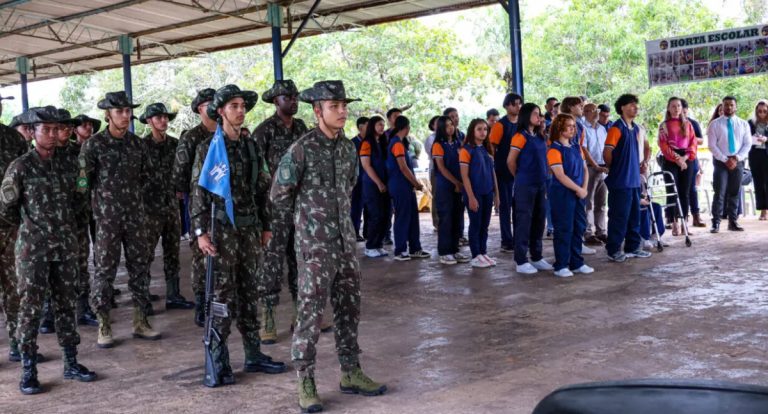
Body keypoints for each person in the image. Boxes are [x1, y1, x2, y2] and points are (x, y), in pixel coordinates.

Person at [270, 80, 387, 412]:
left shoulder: (348, 149)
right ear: (317, 110)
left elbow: (349, 186)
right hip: (315, 247)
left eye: (344, 106)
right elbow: (278, 195)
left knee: (349, 309)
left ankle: (350, 371)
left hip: (346, 243)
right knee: (310, 313)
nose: (342, 111)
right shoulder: (301, 149)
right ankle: (306, 380)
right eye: (334, 106)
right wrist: (306, 224)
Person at [191, 84, 287, 385]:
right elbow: (199, 193)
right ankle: (218, 360)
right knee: (221, 295)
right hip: (221, 232)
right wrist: (200, 232)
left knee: (249, 292)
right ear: (220, 111)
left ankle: (253, 353)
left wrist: (266, 225)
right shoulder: (209, 149)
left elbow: (263, 189)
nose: (241, 110)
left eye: (243, 106)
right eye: (234, 106)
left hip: (248, 230)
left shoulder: (250, 146)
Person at [1, 106, 96, 395]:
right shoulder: (20, 167)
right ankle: (28, 370)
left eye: (57, 129)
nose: (53, 134)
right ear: (32, 132)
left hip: (65, 247)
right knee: (30, 310)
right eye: (47, 129)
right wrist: (31, 229)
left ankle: (71, 362)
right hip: (33, 251)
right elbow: (6, 209)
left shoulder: (72, 164)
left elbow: (81, 198)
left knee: (66, 305)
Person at [78, 91, 159, 348]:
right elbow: (83, 182)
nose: (125, 115)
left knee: (140, 268)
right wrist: (95, 205)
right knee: (104, 271)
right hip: (107, 221)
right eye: (119, 111)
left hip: (135, 218)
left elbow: (148, 176)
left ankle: (141, 321)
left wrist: (133, 199)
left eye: (127, 111)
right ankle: (104, 324)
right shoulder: (93, 145)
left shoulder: (137, 144)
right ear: (108, 115)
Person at [253, 80, 310, 344]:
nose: (294, 101)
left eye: (295, 96)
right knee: (271, 264)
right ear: (276, 101)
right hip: (274, 209)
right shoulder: (264, 131)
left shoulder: (301, 128)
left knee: (300, 260)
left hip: (299, 207)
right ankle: (268, 317)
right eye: (288, 97)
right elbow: (255, 170)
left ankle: (301, 314)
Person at [139, 103, 195, 312]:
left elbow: (182, 170)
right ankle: (142, 296)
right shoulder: (141, 146)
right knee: (145, 254)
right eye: (158, 118)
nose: (163, 121)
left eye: (165, 117)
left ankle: (174, 295)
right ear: (149, 121)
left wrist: (180, 188)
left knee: (173, 252)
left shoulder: (174, 144)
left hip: (171, 206)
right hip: (149, 209)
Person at [172, 88, 216, 327]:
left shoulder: (225, 132)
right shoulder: (191, 137)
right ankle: (201, 303)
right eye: (209, 104)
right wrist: (189, 196)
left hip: (223, 203)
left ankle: (220, 299)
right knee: (200, 253)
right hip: (199, 201)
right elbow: (179, 173)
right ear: (200, 109)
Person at [0, 94, 34, 365]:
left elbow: (28, 182)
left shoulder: (13, 139)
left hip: (11, 227)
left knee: (14, 287)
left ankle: (17, 342)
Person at [603, 94, 651, 262]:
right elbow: (607, 153)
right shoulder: (616, 128)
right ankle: (613, 249)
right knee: (619, 216)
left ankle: (632, 247)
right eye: (631, 105)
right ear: (622, 107)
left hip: (634, 180)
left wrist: (641, 164)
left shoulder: (636, 128)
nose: (635, 108)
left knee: (634, 216)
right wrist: (616, 167)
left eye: (636, 105)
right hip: (620, 181)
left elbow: (642, 149)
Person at [507, 103, 553, 274]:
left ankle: (537, 256)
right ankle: (521, 260)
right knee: (523, 221)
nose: (539, 117)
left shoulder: (540, 136)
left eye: (539, 114)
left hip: (541, 183)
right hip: (525, 185)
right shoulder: (520, 136)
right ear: (526, 116)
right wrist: (520, 177)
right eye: (535, 114)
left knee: (539, 220)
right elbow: (510, 161)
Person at [547, 114, 593, 277]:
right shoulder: (554, 149)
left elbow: (585, 169)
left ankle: (576, 262)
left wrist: (584, 188)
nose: (573, 129)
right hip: (562, 194)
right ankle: (561, 265)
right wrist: (578, 189)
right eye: (569, 126)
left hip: (579, 193)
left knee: (578, 227)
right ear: (559, 128)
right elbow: (560, 175)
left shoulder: (576, 147)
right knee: (564, 229)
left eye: (574, 125)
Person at [69, 114, 101, 326]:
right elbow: (81, 183)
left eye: (90, 125)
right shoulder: (69, 152)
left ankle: (96, 295)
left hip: (95, 207)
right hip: (75, 212)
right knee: (76, 258)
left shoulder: (93, 149)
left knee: (97, 251)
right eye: (84, 125)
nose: (88, 128)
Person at [387, 115, 431, 261]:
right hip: (400, 185)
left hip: (405, 185)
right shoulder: (397, 144)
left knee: (412, 217)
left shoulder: (400, 143)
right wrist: (416, 183)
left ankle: (415, 248)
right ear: (406, 128)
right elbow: (403, 167)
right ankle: (400, 250)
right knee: (403, 217)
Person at [707, 96, 752, 232]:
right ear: (722, 106)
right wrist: (725, 159)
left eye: (731, 104)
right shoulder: (714, 124)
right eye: (726, 104)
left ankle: (733, 222)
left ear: (736, 107)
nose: (729, 107)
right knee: (719, 192)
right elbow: (712, 145)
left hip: (737, 161)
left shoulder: (743, 124)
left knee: (734, 192)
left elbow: (747, 144)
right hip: (721, 162)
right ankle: (716, 223)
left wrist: (736, 158)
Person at [460, 119, 499, 268]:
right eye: (479, 129)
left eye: (485, 129)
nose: (483, 132)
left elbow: (493, 173)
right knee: (475, 224)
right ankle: (475, 255)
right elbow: (465, 176)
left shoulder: (486, 150)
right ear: (472, 131)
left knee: (484, 225)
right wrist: (471, 197)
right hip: (475, 193)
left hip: (487, 192)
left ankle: (483, 252)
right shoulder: (466, 150)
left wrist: (497, 195)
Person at [432, 116, 470, 265]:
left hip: (458, 186)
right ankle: (444, 252)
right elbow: (441, 168)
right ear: (441, 128)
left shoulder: (458, 143)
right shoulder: (438, 145)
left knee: (457, 218)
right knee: (446, 218)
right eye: (447, 125)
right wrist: (456, 182)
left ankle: (454, 250)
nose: (450, 127)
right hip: (445, 186)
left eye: (452, 124)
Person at [657, 97, 697, 236]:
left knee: (685, 192)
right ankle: (674, 222)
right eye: (673, 106)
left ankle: (685, 223)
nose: (676, 108)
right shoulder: (664, 125)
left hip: (686, 158)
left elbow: (693, 143)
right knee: (672, 191)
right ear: (668, 108)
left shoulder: (688, 124)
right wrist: (677, 159)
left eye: (679, 106)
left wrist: (685, 157)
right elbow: (663, 145)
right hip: (670, 159)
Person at [489, 93, 521, 253]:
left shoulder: (522, 124)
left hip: (520, 171)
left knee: (519, 207)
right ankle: (506, 240)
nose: (518, 107)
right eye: (515, 104)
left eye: (520, 104)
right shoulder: (500, 125)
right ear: (507, 106)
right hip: (503, 171)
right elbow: (491, 147)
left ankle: (519, 238)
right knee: (505, 207)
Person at [359, 116, 391, 258]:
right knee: (376, 215)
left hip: (385, 183)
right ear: (372, 126)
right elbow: (366, 166)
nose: (382, 127)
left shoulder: (383, 142)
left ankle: (378, 244)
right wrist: (378, 182)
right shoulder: (367, 143)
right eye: (379, 124)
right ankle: (370, 246)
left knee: (386, 215)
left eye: (383, 125)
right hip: (372, 184)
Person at [582, 103, 609, 246]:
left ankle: (601, 231)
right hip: (591, 168)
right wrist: (595, 165)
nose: (596, 112)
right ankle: (588, 233)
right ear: (585, 112)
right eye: (592, 110)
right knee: (589, 202)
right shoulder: (583, 128)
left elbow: (606, 147)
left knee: (602, 202)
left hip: (603, 168)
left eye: (596, 110)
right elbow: (584, 150)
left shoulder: (602, 128)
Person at [681, 99, 706, 228]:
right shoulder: (670, 123)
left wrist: (690, 138)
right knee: (678, 189)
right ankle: (673, 219)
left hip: (691, 158)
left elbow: (701, 140)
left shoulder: (693, 123)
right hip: (676, 160)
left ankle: (696, 216)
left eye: (684, 112)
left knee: (692, 188)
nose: (682, 114)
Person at [748, 100, 768, 221]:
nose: (762, 114)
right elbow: (745, 138)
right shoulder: (750, 123)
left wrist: (766, 139)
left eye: (765, 111)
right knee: (758, 183)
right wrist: (753, 139)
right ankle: (763, 210)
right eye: (759, 111)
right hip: (755, 156)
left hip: (766, 155)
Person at [351, 116, 369, 241]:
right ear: (361, 127)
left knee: (370, 208)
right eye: (368, 126)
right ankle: (355, 232)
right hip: (357, 181)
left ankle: (368, 233)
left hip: (370, 180)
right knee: (356, 208)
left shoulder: (371, 142)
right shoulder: (352, 143)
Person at [424, 116, 440, 231]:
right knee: (436, 195)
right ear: (432, 126)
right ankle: (437, 222)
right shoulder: (431, 139)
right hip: (436, 169)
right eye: (437, 123)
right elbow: (434, 155)